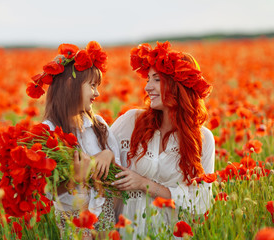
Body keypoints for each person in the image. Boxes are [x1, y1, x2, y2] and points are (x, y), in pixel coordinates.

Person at [111, 41, 215, 238]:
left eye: (156, 79)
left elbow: (200, 202)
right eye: (148, 79)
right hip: (128, 233)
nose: (147, 87)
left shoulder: (203, 139)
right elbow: (100, 150)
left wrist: (144, 183)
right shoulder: (130, 122)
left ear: (178, 85)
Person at [28, 41, 121, 239]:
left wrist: (108, 154)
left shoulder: (98, 125)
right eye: (92, 86)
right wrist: (74, 178)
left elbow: (118, 173)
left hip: (105, 220)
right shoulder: (48, 132)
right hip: (73, 223)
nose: (97, 92)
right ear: (70, 85)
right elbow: (43, 191)